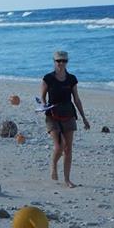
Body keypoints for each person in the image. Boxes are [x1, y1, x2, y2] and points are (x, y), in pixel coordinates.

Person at [40, 50, 90, 187]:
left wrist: (84, 118)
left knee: (68, 148)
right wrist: (44, 105)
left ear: (67, 61)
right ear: (54, 61)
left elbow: (77, 99)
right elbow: (43, 98)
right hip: (52, 115)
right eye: (58, 61)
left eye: (64, 61)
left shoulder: (72, 79)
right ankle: (53, 165)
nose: (61, 63)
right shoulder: (48, 78)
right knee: (59, 146)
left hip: (68, 113)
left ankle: (67, 179)